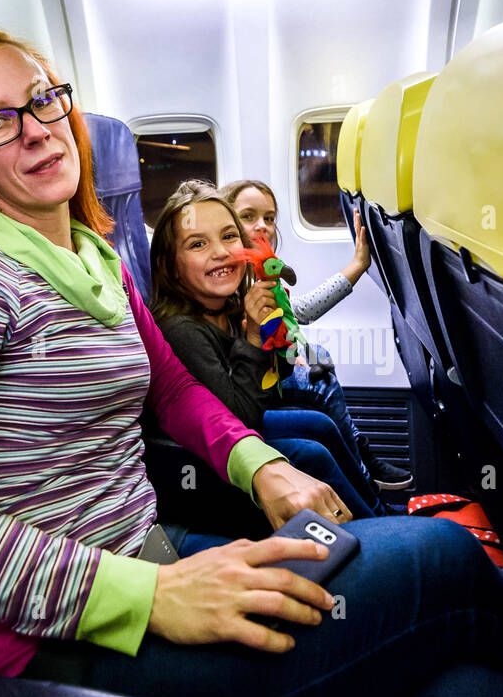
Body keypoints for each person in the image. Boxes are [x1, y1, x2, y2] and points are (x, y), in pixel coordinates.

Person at [0, 29, 503, 697]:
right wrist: (153, 594)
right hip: (38, 650)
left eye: (43, 100)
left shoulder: (93, 259)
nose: (34, 129)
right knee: (445, 556)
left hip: (144, 550)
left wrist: (262, 467)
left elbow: (172, 388)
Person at [149, 180, 382, 519]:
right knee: (312, 454)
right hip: (202, 462)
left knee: (321, 426)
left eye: (229, 237)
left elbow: (270, 385)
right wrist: (255, 339)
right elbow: (237, 421)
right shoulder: (183, 330)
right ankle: (368, 528)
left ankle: (375, 511)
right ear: (170, 266)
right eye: (198, 243)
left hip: (246, 419)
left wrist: (279, 339)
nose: (221, 252)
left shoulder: (230, 304)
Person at [221, 179, 413, 490]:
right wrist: (282, 357)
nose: (262, 226)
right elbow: (240, 347)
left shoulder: (261, 274)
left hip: (270, 360)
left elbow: (300, 311)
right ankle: (362, 474)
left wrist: (358, 265)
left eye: (269, 218)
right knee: (318, 379)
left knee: (318, 354)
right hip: (250, 376)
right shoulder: (228, 278)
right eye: (248, 216)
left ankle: (358, 449)